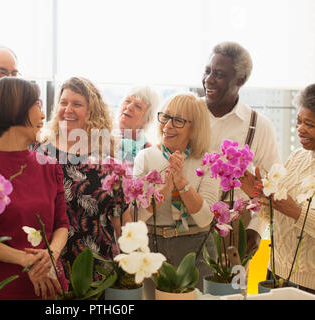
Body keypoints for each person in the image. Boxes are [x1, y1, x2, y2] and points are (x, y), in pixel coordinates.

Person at [0, 77, 69, 299]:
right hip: (2, 287)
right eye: (37, 105)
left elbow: (62, 225)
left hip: (50, 284)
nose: (43, 115)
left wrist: (51, 254)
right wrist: (26, 260)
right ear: (13, 110)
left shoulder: (50, 166)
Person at [36, 76, 127, 277]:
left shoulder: (107, 160)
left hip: (97, 267)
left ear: (92, 112)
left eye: (77, 104)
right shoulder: (39, 152)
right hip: (47, 264)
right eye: (63, 103)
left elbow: (119, 219)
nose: (68, 110)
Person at [133, 92, 218, 294]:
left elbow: (206, 219)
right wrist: (164, 190)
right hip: (153, 246)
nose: (168, 125)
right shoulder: (145, 157)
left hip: (197, 246)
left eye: (178, 120)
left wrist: (182, 183)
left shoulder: (206, 161)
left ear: (194, 128)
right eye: (165, 117)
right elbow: (137, 216)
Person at [202, 41, 281, 256]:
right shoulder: (188, 113)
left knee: (232, 289)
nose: (209, 79)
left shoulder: (260, 125)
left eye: (219, 74)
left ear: (241, 80)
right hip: (186, 221)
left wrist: (256, 229)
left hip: (236, 226)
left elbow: (273, 185)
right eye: (207, 71)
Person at [240, 83, 315, 294]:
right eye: (298, 121)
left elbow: (291, 211)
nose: (299, 129)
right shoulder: (297, 157)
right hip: (275, 274)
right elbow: (275, 218)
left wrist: (296, 212)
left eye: (308, 124)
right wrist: (257, 196)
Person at [117, 85, 160, 162]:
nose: (129, 107)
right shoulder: (101, 138)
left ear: (147, 119)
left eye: (138, 106)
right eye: (127, 101)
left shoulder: (148, 152)